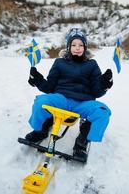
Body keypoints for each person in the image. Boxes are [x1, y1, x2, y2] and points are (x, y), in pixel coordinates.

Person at [25, 28, 113, 160]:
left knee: (103, 111)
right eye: (73, 45)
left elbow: (96, 91)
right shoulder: (59, 63)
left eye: (81, 45)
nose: (77, 48)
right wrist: (38, 80)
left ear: (85, 47)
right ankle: (40, 130)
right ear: (68, 46)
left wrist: (104, 84)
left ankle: (82, 141)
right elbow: (49, 86)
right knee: (41, 102)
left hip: (83, 103)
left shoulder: (92, 64)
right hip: (61, 99)